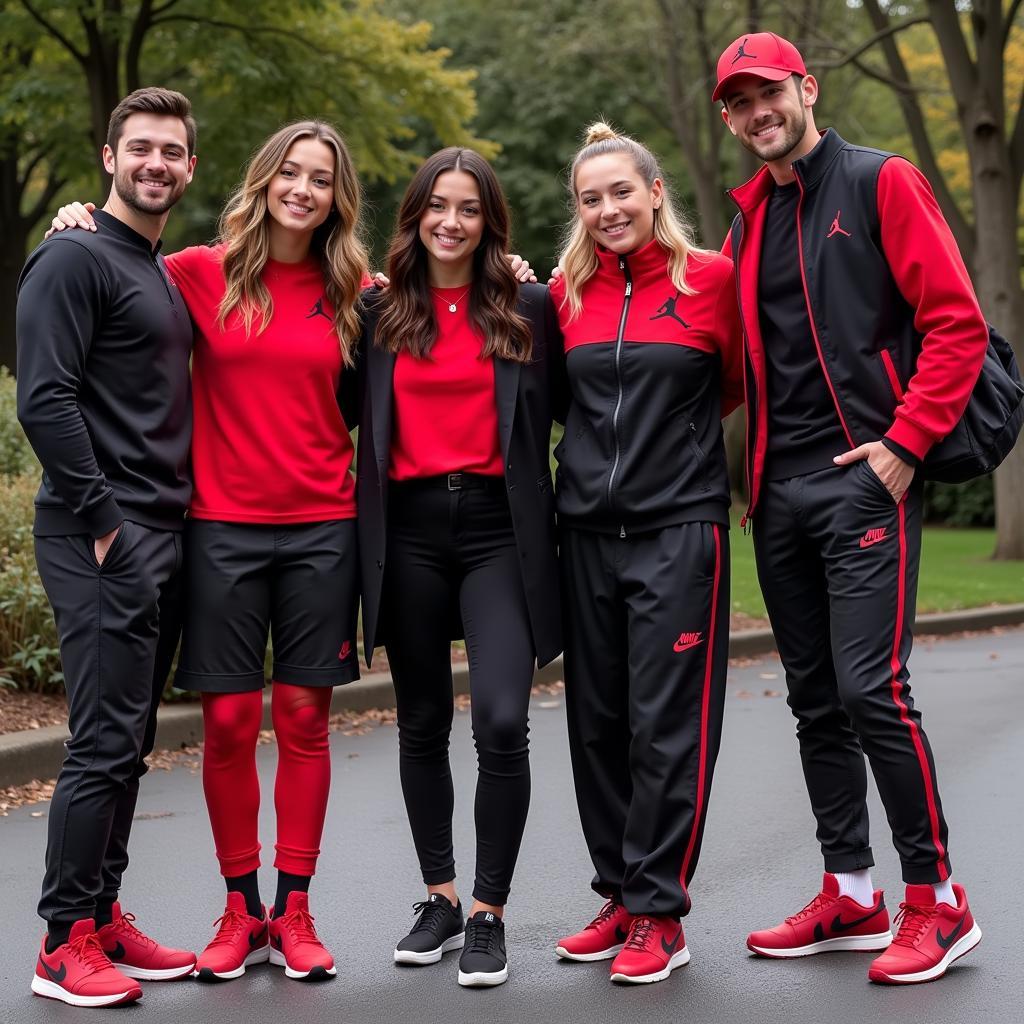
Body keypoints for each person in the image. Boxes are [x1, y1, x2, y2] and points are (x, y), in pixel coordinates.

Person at [46, 120, 368, 984]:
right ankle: (239, 910)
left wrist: (520, 273)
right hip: (218, 527)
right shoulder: (193, 272)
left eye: (321, 179)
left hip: (322, 529)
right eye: (289, 173)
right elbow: (116, 263)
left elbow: (448, 302)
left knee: (303, 720)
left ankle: (292, 912)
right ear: (261, 180)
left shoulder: (357, 291)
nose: (303, 189)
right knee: (227, 721)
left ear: (338, 196)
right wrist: (78, 215)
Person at [713, 30, 985, 984]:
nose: (757, 113)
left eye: (768, 93)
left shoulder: (880, 182)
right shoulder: (745, 226)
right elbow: (717, 355)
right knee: (815, 702)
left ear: (806, 89)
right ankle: (853, 891)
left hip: (867, 476)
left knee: (873, 689)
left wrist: (905, 446)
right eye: (739, 103)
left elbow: (956, 322)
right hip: (778, 496)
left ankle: (938, 901)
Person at [355, 147, 561, 988]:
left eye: (469, 208)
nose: (451, 220)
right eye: (437, 205)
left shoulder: (529, 306)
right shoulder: (375, 314)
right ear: (415, 215)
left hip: (496, 531)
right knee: (421, 721)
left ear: (490, 221)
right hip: (404, 533)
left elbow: (584, 402)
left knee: (502, 722)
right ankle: (438, 898)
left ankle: (487, 911)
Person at [16, 87, 199, 1007]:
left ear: (190, 166)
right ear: (109, 156)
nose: (155, 163)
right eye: (141, 148)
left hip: (160, 530)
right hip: (102, 532)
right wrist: (104, 525)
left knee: (129, 741)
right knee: (100, 742)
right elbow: (43, 400)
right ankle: (60, 944)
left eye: (171, 150)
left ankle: (102, 913)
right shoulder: (72, 257)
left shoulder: (155, 269)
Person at [550, 123, 743, 985]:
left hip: (678, 529)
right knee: (597, 726)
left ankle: (661, 910)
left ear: (656, 191)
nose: (607, 210)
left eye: (620, 192)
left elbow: (735, 383)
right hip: (585, 531)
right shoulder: (563, 292)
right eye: (590, 199)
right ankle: (621, 896)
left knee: (667, 728)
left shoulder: (712, 282)